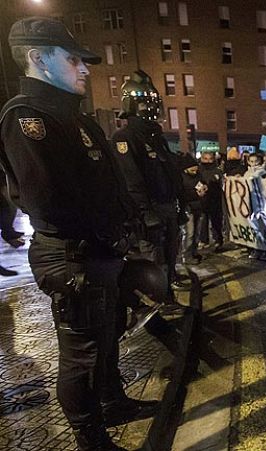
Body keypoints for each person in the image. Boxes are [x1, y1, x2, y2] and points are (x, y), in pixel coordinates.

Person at [0, 17, 157, 450]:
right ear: (37, 59)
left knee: (107, 339)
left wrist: (122, 236)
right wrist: (107, 238)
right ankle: (90, 436)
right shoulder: (29, 118)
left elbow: (110, 187)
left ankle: (113, 401)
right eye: (72, 60)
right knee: (82, 354)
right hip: (73, 256)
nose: (85, 69)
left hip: (99, 251)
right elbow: (51, 203)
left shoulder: (77, 119)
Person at [112, 70, 183, 297]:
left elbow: (170, 173)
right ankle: (157, 302)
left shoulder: (157, 137)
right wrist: (145, 212)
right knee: (154, 258)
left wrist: (181, 203)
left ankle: (168, 294)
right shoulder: (125, 137)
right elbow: (132, 180)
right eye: (143, 103)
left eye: (151, 102)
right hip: (149, 209)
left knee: (171, 254)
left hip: (168, 205)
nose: (149, 108)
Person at [198, 151, 225, 252]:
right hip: (202, 201)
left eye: (210, 159)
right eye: (205, 158)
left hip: (215, 200)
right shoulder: (198, 170)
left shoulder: (218, 171)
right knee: (203, 222)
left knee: (216, 222)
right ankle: (203, 240)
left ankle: (218, 240)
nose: (208, 161)